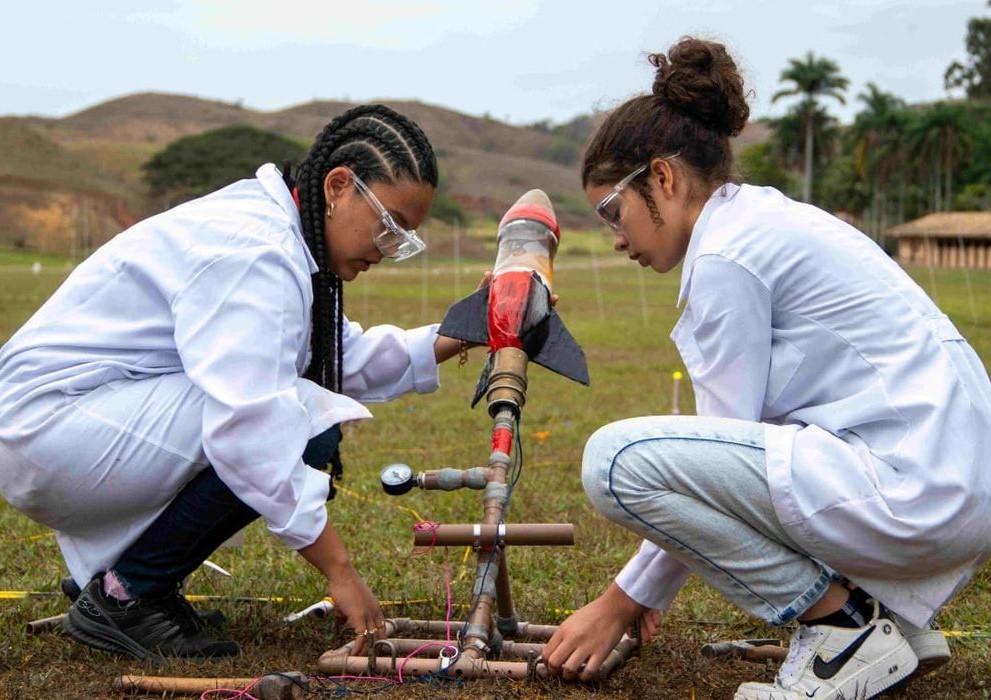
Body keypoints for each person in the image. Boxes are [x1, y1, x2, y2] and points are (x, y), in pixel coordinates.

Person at [543, 38, 991, 700]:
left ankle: (843, 629)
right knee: (714, 452)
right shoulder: (767, 221)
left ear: (661, 178)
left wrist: (620, 602)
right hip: (953, 490)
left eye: (613, 210)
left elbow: (707, 463)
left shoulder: (727, 256)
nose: (615, 235)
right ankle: (886, 621)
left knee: (617, 462)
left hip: (916, 492)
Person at [0, 104, 479, 662]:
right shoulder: (257, 251)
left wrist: (468, 331)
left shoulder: (283, 236)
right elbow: (248, 425)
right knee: (297, 423)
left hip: (78, 421)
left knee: (300, 410)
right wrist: (340, 571)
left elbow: (336, 357)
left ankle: (131, 579)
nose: (389, 249)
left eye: (406, 238)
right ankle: (126, 593)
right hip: (52, 429)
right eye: (389, 226)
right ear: (339, 186)